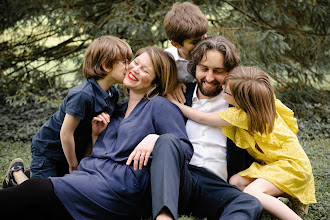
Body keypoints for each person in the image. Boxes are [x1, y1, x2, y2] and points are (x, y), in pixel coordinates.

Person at [0, 47, 193, 220]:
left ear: (154, 83)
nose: (135, 69)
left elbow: (183, 149)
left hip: (119, 188)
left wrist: (156, 139)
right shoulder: (114, 109)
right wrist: (95, 136)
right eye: (135, 62)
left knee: (35, 191)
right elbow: (94, 156)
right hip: (89, 179)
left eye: (145, 70)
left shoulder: (159, 106)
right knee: (34, 203)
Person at [135, 36, 263, 220]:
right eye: (204, 69)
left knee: (249, 203)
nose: (209, 78)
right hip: (178, 179)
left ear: (230, 73)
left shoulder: (239, 106)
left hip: (216, 187)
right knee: (169, 140)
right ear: (194, 67)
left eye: (218, 71)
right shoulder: (176, 96)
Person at [167, 66, 317, 219]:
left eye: (226, 90)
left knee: (252, 192)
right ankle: (291, 196)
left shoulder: (243, 116)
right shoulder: (265, 102)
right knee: (236, 182)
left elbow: (202, 117)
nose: (223, 87)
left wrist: (174, 103)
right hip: (282, 164)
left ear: (240, 100)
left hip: (291, 167)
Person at [2, 35, 133, 185]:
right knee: (45, 194)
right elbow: (66, 133)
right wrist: (74, 166)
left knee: (66, 188)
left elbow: (94, 133)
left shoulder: (113, 94)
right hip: (49, 151)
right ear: (106, 65)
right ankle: (16, 174)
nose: (129, 66)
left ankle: (33, 174)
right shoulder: (82, 95)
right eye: (124, 61)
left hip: (71, 152)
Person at [163, 1, 208, 104]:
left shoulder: (213, 53)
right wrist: (171, 85)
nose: (203, 44)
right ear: (176, 45)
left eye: (204, 37)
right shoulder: (166, 59)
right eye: (196, 42)